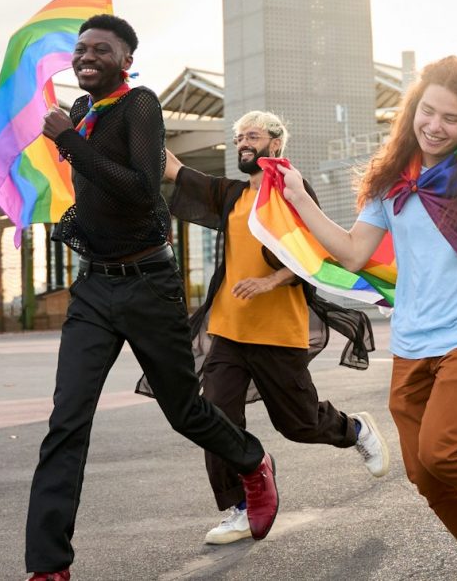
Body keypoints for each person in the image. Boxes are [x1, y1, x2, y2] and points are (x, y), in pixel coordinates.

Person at [275, 55, 457, 581]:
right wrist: (299, 196)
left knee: (443, 449)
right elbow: (351, 252)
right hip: (411, 341)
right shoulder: (392, 181)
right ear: (413, 108)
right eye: (428, 112)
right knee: (425, 473)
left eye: (451, 118)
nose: (434, 126)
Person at [25, 15, 279, 581]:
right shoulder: (85, 115)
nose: (86, 55)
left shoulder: (140, 104)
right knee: (66, 421)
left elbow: (142, 188)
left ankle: (251, 461)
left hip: (147, 283)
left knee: (184, 410)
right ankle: (48, 568)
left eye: (101, 49)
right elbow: (96, 190)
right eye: (81, 48)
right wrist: (71, 137)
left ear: (126, 60)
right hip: (93, 288)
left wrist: (67, 139)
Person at [159, 109, 390, 546]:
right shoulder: (230, 195)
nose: (244, 142)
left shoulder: (292, 192)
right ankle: (240, 508)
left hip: (278, 332)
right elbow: (172, 166)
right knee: (217, 417)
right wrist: (129, 111)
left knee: (299, 423)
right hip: (228, 330)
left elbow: (317, 256)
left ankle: (354, 429)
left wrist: (270, 281)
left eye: (254, 135)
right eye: (239, 137)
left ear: (276, 144)